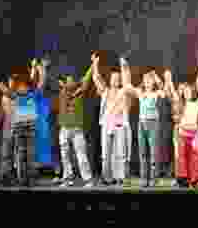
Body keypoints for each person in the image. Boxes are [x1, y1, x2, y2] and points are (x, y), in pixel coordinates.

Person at [0, 59, 48, 187]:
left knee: (31, 154)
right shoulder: (15, 95)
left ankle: (31, 178)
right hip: (19, 128)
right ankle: (22, 179)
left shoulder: (33, 94)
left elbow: (41, 82)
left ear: (27, 86)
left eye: (24, 86)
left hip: (30, 127)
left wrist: (41, 69)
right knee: (20, 154)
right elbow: (3, 89)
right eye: (19, 86)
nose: (21, 88)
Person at [92, 54, 135, 187]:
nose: (115, 80)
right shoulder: (105, 91)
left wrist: (124, 65)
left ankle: (119, 177)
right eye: (113, 78)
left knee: (119, 152)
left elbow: (127, 79)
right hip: (107, 125)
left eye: (117, 79)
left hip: (119, 125)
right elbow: (96, 78)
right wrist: (94, 64)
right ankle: (107, 177)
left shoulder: (123, 91)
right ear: (110, 80)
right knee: (106, 153)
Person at [55, 65, 95, 187]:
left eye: (72, 80)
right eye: (68, 81)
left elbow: (86, 79)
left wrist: (93, 65)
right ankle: (67, 179)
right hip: (64, 129)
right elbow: (55, 80)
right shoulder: (62, 92)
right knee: (65, 156)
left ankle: (88, 180)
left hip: (77, 129)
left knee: (81, 155)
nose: (70, 83)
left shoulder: (80, 92)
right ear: (65, 82)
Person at [126, 69, 168, 188]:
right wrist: (125, 67)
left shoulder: (156, 93)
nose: (147, 82)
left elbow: (164, 91)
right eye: (145, 80)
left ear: (153, 82)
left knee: (154, 152)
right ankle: (144, 178)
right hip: (142, 123)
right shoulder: (140, 92)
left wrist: (156, 77)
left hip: (153, 123)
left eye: (150, 81)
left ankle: (154, 178)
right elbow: (128, 87)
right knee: (143, 152)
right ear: (143, 82)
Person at [174, 68, 198, 189]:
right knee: (182, 157)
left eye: (189, 92)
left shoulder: (196, 103)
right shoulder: (180, 103)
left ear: (192, 93)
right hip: (183, 133)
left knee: (195, 158)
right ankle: (182, 180)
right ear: (183, 94)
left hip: (194, 134)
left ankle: (194, 180)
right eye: (185, 92)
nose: (187, 93)